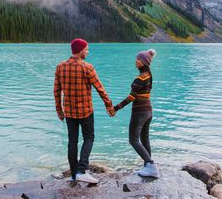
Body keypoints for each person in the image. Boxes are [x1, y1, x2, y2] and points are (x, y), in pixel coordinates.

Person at [54, 38, 115, 184]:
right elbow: (100, 88)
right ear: (81, 50)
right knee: (89, 137)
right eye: (87, 49)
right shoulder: (87, 67)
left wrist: (59, 111)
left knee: (72, 142)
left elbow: (56, 91)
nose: (88, 52)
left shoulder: (60, 67)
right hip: (86, 111)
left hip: (69, 112)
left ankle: (74, 173)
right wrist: (109, 105)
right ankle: (82, 170)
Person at [114, 49, 159, 178]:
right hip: (148, 111)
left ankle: (151, 165)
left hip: (139, 112)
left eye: (139, 59)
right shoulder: (149, 75)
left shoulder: (141, 78)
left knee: (133, 140)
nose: (136, 61)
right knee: (144, 139)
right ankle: (147, 166)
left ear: (144, 62)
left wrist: (116, 108)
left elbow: (131, 97)